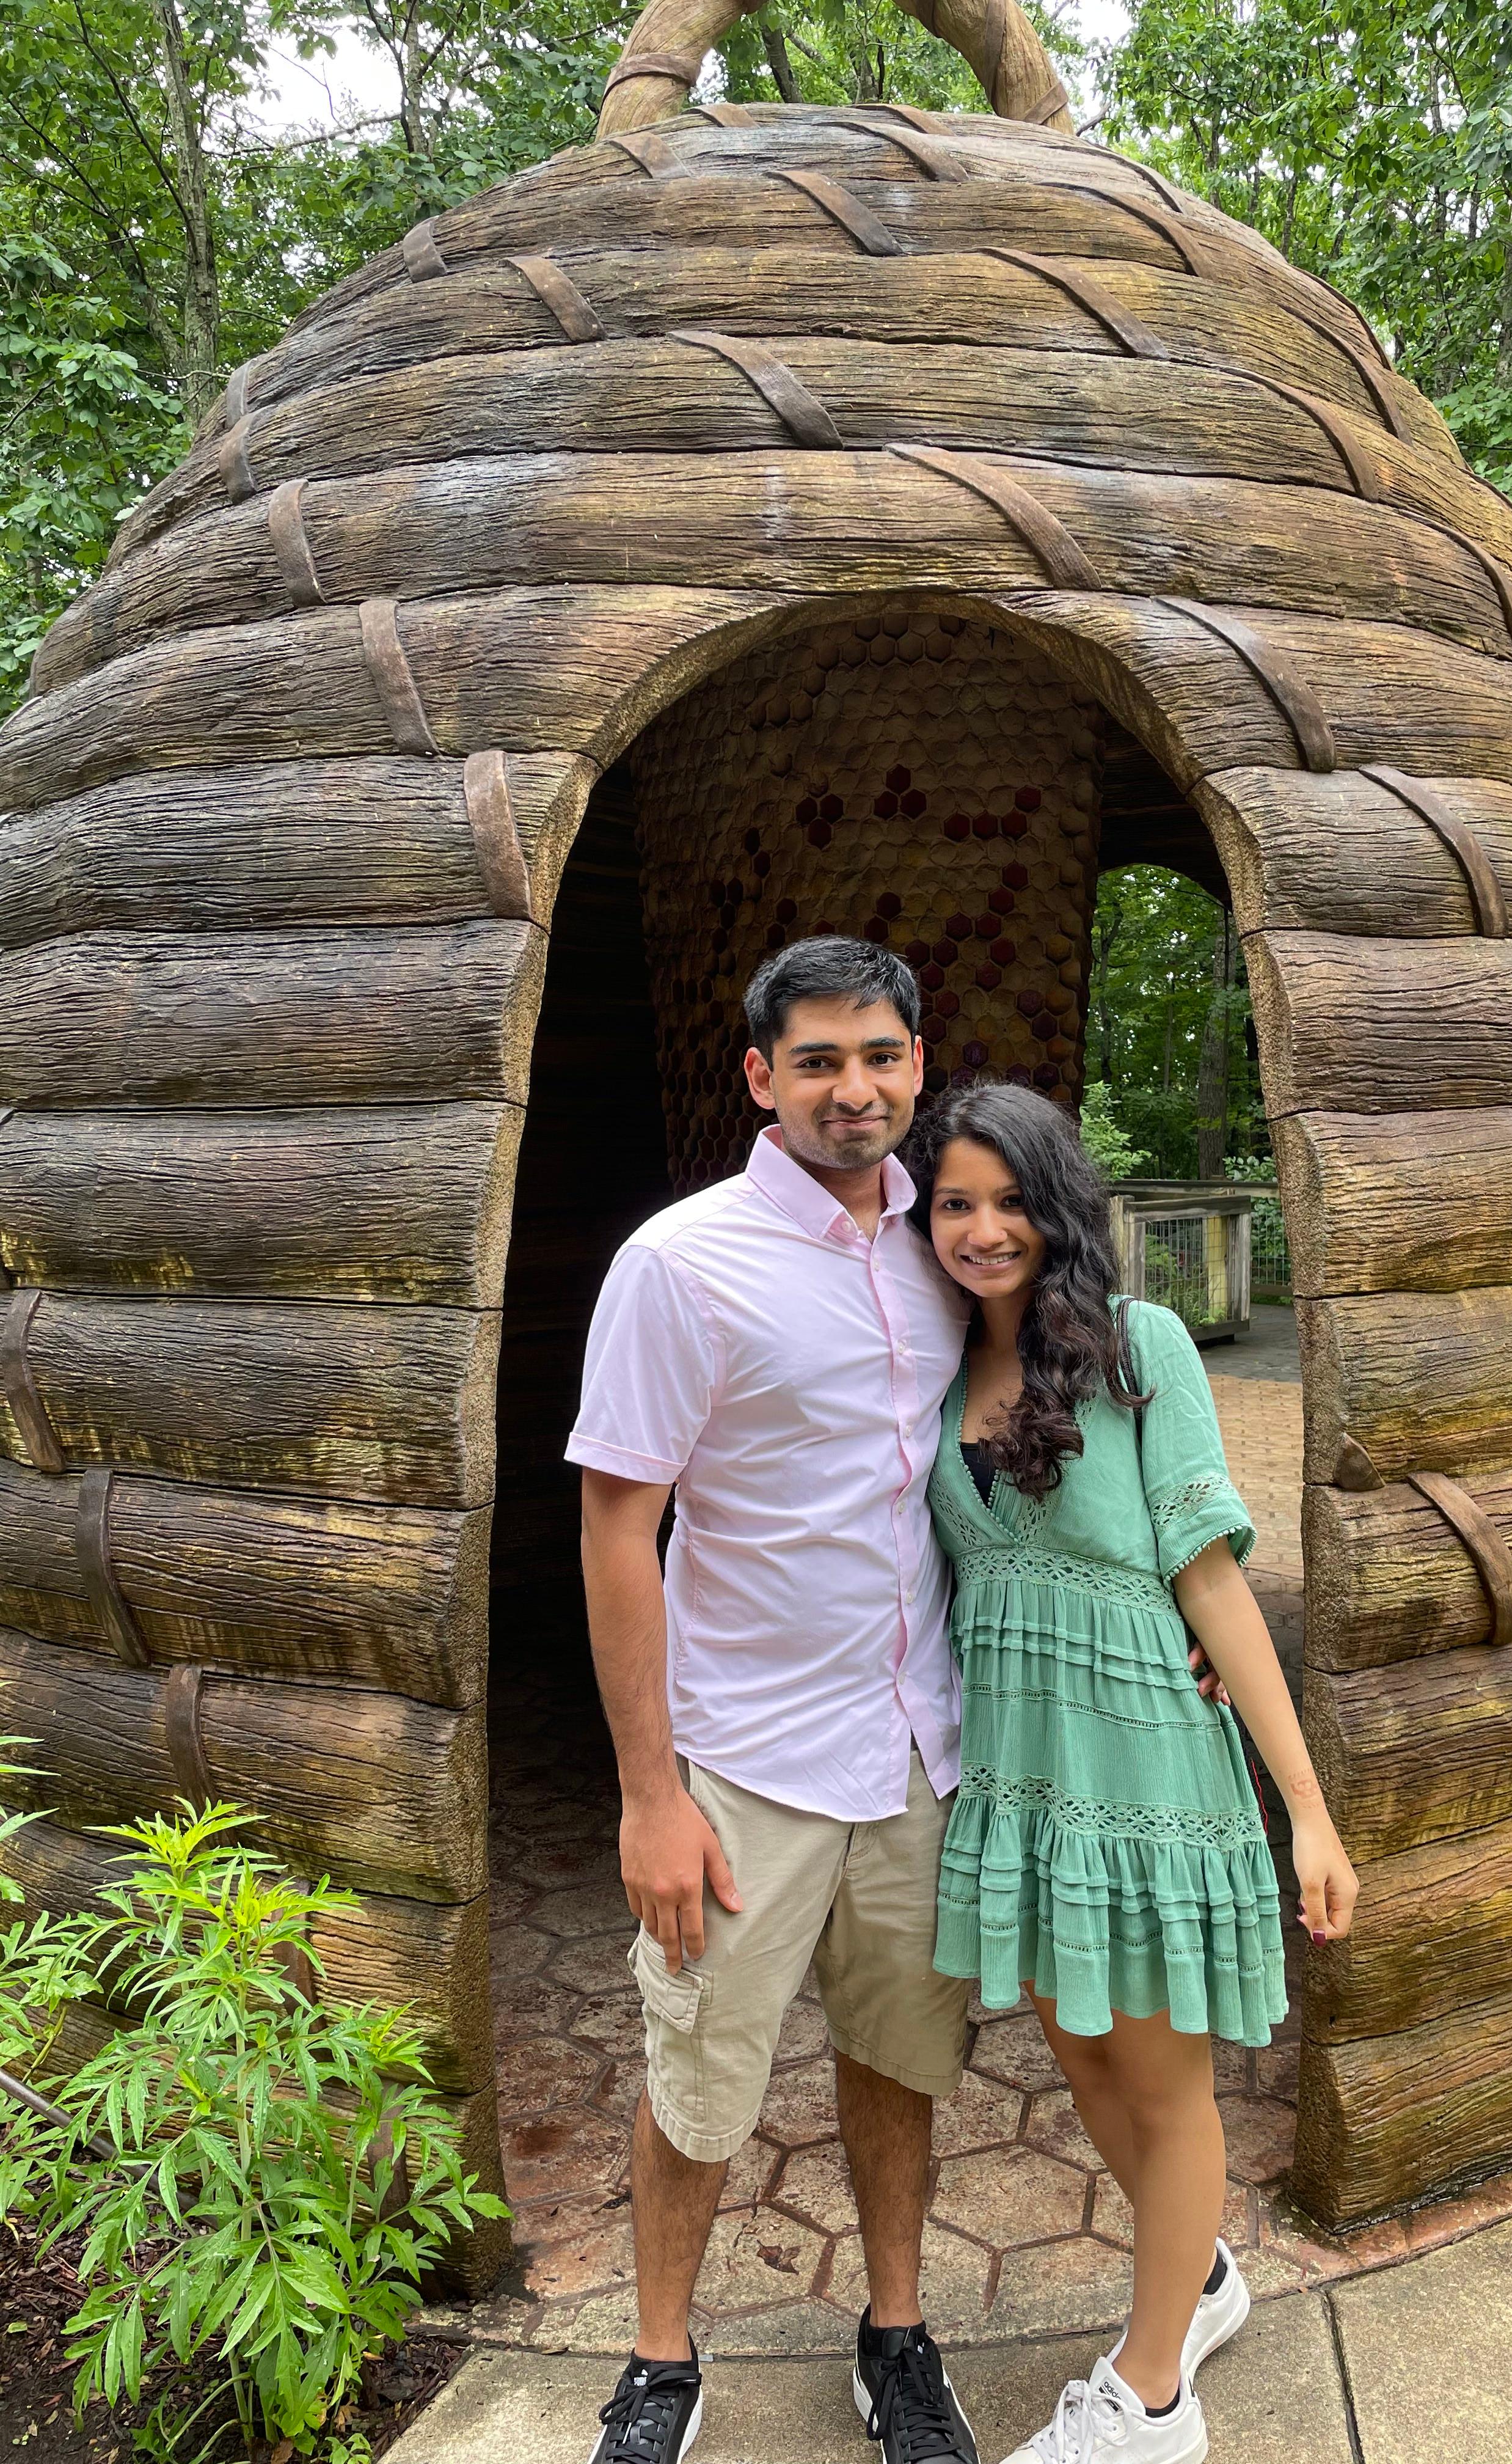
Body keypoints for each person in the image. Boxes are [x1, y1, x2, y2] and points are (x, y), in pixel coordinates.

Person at [569, 937, 982, 2464]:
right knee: (698, 2077)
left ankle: (896, 2335)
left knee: (900, 2055)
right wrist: (649, 1796)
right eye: (817, 1061)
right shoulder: (681, 1264)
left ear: (917, 1063)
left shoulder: (951, 1246)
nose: (851, 1089)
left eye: (878, 1055)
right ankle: (658, 2362)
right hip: (743, 1763)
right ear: (761, 1077)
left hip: (921, 1744)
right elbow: (619, 1528)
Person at [905, 1082, 1359, 2464]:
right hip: (1026, 1788)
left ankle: (1154, 2397)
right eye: (955, 1204)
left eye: (1011, 1201)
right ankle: (1200, 2276)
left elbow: (1210, 1583)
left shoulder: (1136, 1343)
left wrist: (1309, 1813)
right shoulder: (928, 1367)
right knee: (1089, 2058)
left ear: (1060, 1207)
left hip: (1151, 1775)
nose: (984, 1230)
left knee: (1166, 2089)